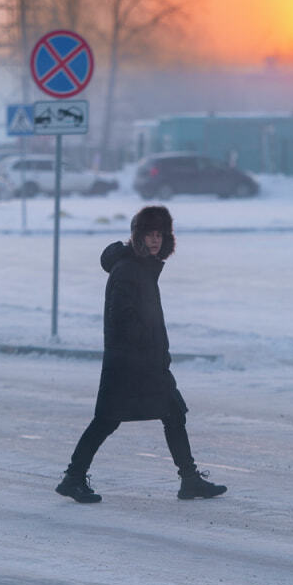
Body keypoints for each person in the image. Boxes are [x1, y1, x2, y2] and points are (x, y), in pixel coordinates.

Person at [56, 205, 227, 503]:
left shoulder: (142, 268)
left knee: (173, 413)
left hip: (145, 361)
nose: (155, 240)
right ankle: (73, 477)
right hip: (130, 363)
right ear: (137, 237)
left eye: (160, 234)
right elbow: (122, 318)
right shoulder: (128, 271)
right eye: (149, 234)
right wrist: (146, 349)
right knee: (107, 420)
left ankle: (189, 480)